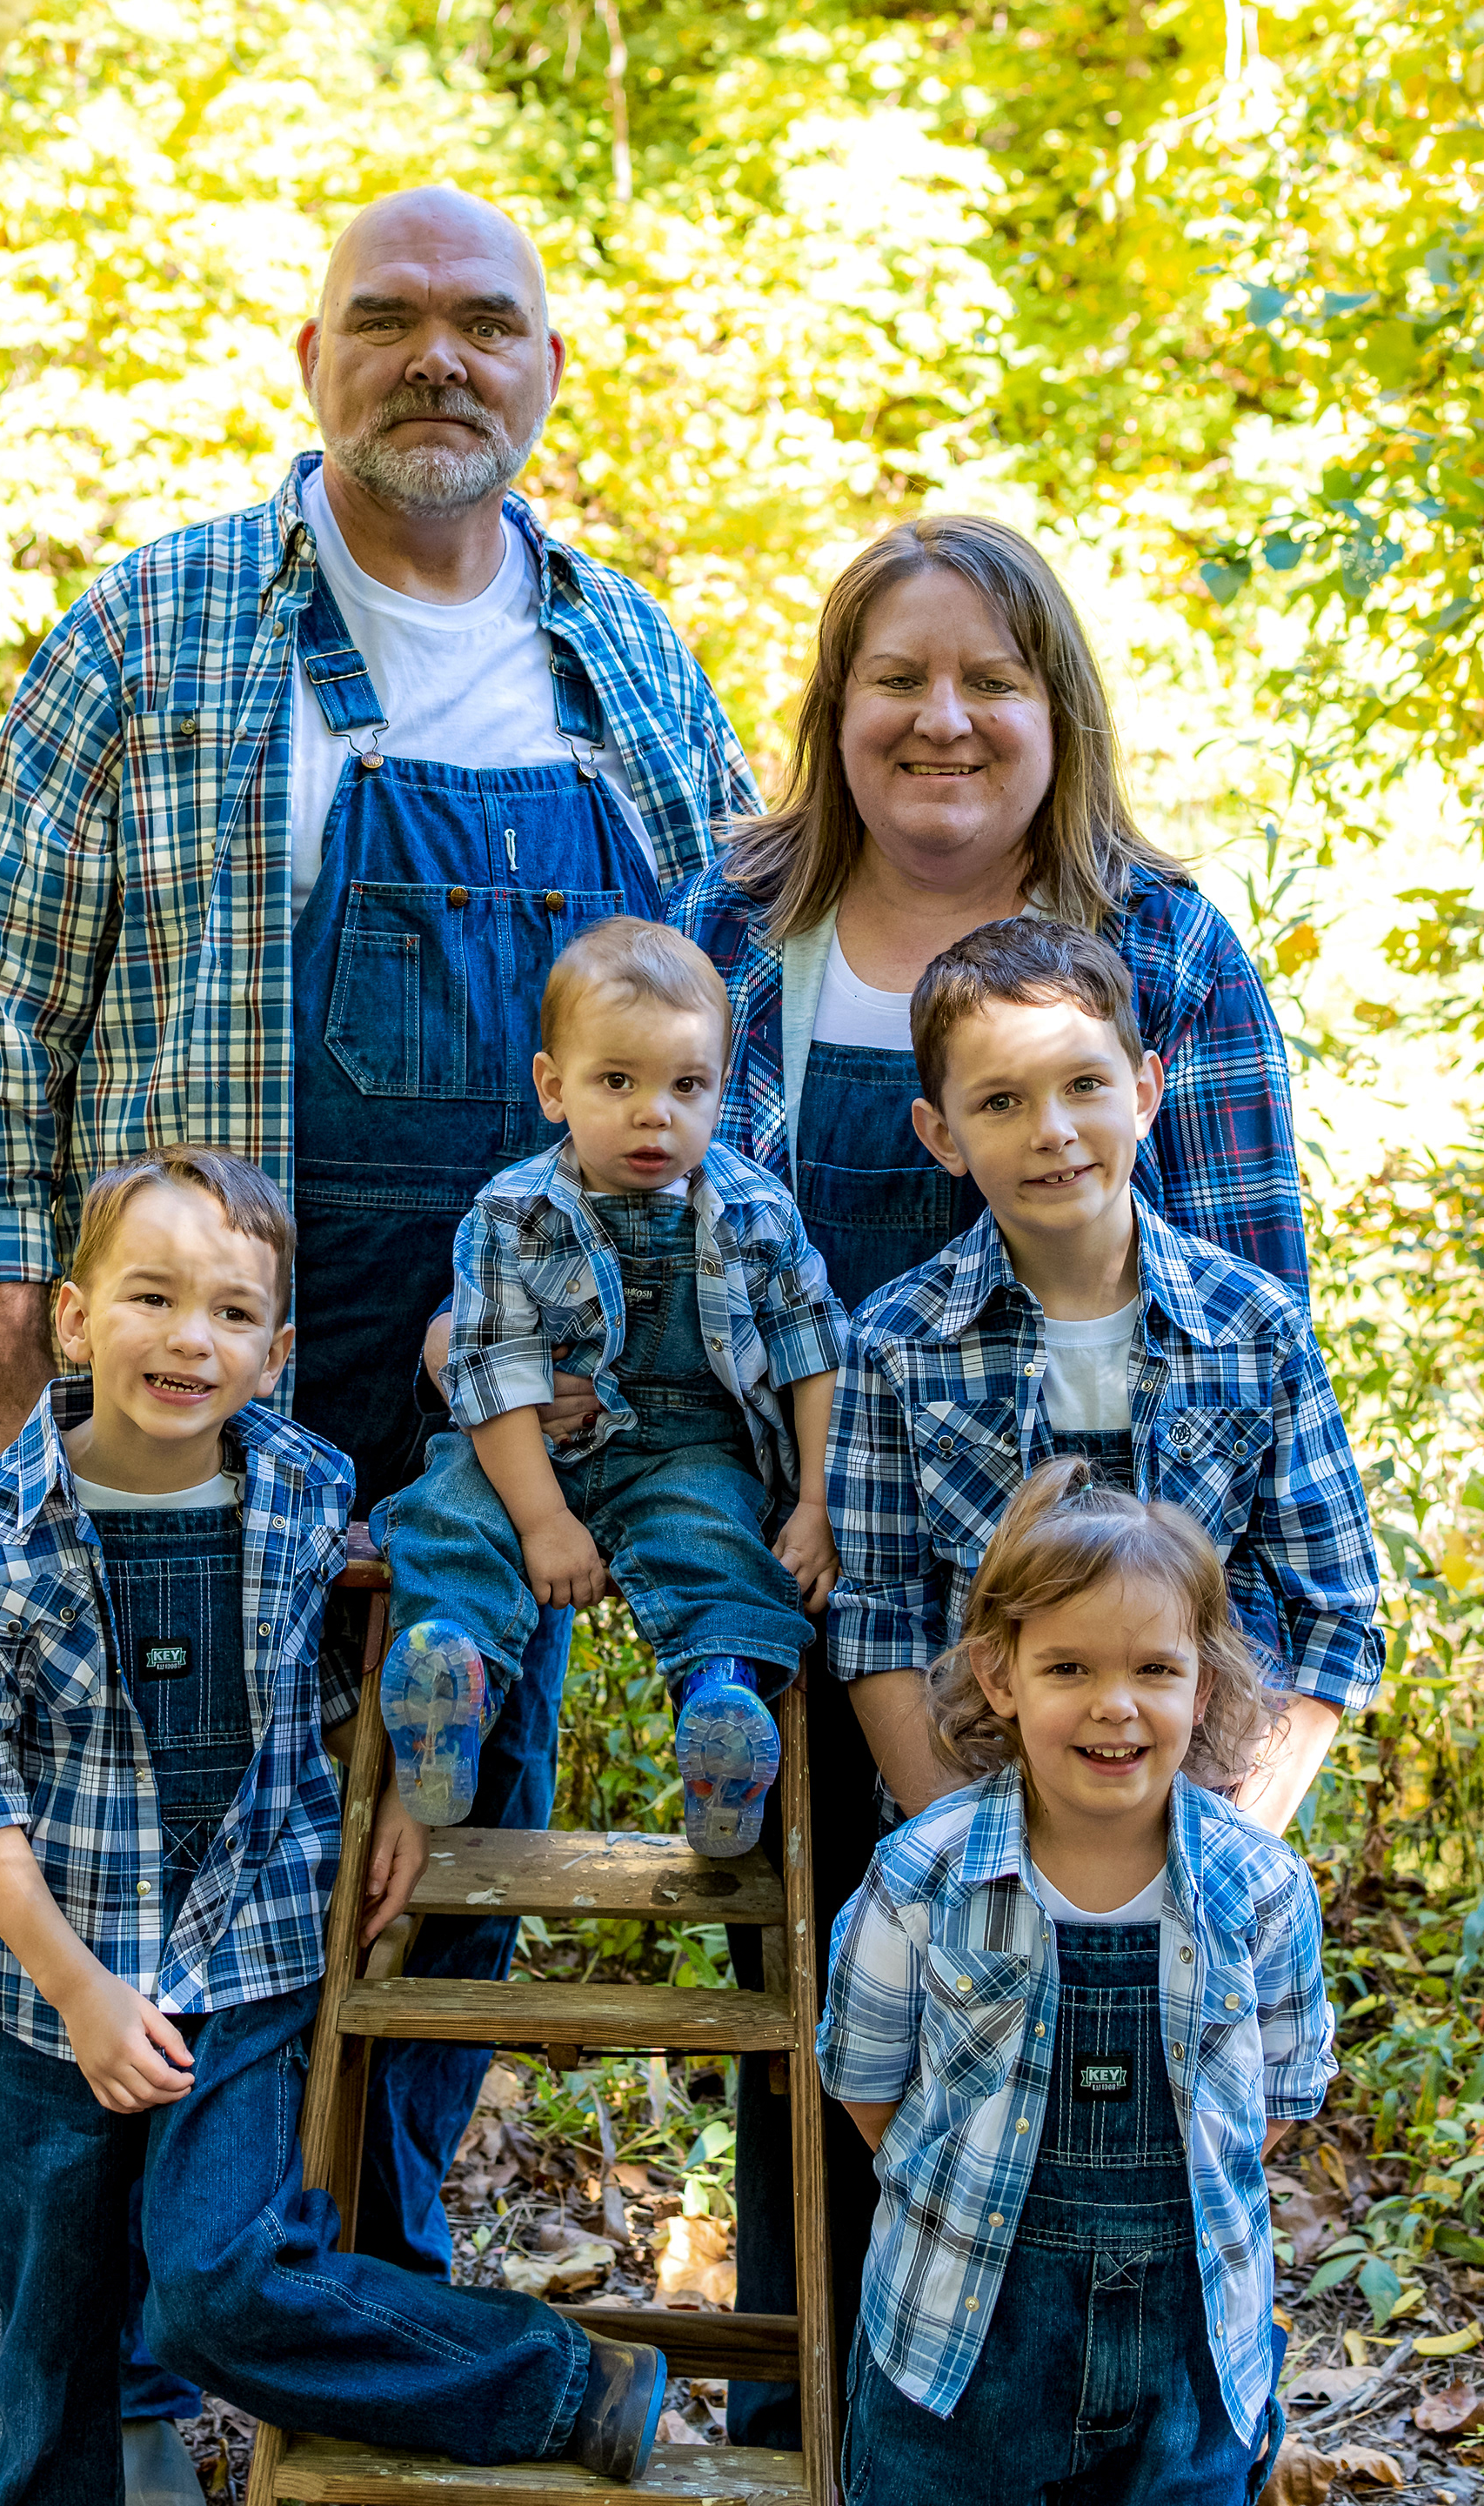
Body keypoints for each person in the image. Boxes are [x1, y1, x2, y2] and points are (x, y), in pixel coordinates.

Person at [0, 185, 755, 2481]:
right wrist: (4, 1410)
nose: (437, 358)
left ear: (548, 366)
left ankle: (349, 2310)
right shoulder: (158, 629)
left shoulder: (629, 659)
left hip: (514, 1423)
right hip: (201, 1401)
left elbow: (726, 1035)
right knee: (147, 1855)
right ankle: (136, 2374)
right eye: (387, 319)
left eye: (486, 323)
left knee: (448, 1870)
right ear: (311, 358)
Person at [663, 511, 1321, 2447]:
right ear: (833, 707)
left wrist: (1202, 1765)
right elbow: (644, 1220)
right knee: (843, 2019)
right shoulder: (738, 925)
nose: (941, 718)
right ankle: (828, 2446)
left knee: (1116, 2071)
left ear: (1058, 710)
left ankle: (1112, 2432)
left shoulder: (1164, 940)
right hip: (836, 1579)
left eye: (991, 679)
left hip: (1127, 1655)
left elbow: (1251, 1321)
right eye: (897, 678)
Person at [0, 1145, 667, 2503]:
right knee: (50, 2341)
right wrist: (78, 1991)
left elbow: (386, 1651)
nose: (190, 1337)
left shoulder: (306, 1491)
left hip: (245, 1952)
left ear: (277, 1352)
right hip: (43, 1983)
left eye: (233, 1311)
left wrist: (409, 1800)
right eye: (151, 1296)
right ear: (74, 1318)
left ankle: (553, 2381)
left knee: (214, 2282)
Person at [819, 1460, 1335, 2503]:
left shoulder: (1259, 1888)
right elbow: (868, 2087)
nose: (1116, 1705)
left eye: (1155, 1668)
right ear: (1001, 1677)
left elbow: (1278, 2098)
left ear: (1202, 1685)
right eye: (1068, 1667)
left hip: (1188, 2363)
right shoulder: (922, 1876)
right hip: (962, 2355)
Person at [825, 918, 1384, 1807]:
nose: (1053, 1130)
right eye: (1000, 1102)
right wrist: (963, 1853)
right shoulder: (895, 1344)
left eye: (1084, 1084)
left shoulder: (1255, 1330)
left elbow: (1336, 1612)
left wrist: (1239, 1839)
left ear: (1145, 1092)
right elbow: (880, 1621)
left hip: (1207, 1811)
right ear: (941, 1135)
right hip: (978, 1814)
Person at [377, 919, 846, 1854]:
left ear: (722, 1088)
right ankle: (449, 1681)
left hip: (686, 1449)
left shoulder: (756, 1211)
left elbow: (813, 1354)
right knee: (450, 1514)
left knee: (717, 1537)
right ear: (554, 1087)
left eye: (686, 1085)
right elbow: (490, 1377)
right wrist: (544, 1521)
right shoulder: (512, 1213)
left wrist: (816, 1503)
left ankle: (721, 1704)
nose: (654, 1114)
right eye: (618, 1081)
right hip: (525, 1447)